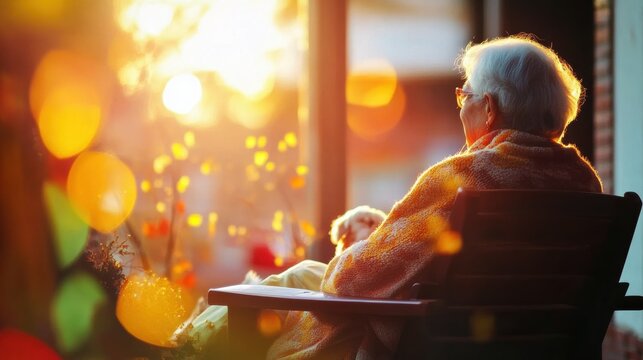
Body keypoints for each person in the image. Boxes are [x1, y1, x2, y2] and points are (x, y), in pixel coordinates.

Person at [182, 34, 603, 359]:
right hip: (527, 345)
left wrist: (363, 248)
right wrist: (383, 237)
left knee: (296, 282)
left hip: (419, 344)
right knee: (307, 269)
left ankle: (180, 350)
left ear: (489, 109)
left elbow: (349, 280)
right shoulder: (584, 186)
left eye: (465, 95)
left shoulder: (467, 177)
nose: (461, 108)